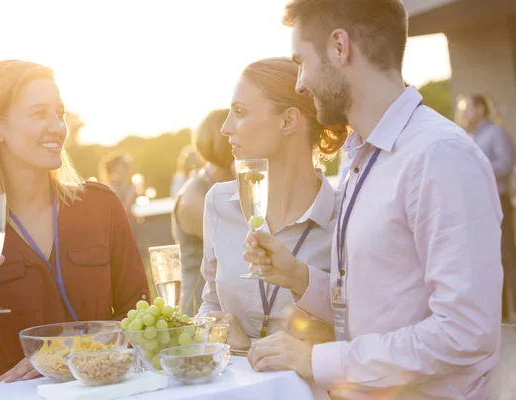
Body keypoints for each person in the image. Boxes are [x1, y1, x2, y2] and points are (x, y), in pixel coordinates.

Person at [245, 1, 503, 398]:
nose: (298, 83)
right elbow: (380, 309)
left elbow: (465, 333)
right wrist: (297, 276)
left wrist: (316, 360)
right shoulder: (359, 156)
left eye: (301, 61)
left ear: (339, 47)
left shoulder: (439, 156)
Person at [0, 60, 150, 387]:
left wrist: (67, 355)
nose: (57, 127)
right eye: (38, 113)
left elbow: (138, 315)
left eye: (59, 113)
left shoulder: (101, 206)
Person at [196, 57, 346, 349]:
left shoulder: (347, 217)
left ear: (288, 121)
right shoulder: (219, 203)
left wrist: (248, 346)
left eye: (239, 112)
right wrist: (213, 333)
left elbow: (363, 328)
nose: (225, 128)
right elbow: (211, 301)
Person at [172, 108, 234, 316]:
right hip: (201, 311)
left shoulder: (227, 184)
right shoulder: (195, 197)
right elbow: (239, 248)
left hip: (227, 309)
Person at [462, 93, 516, 322]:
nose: (464, 113)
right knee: (490, 259)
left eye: (468, 108)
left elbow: (505, 164)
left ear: (481, 110)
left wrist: (477, 168)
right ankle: (501, 315)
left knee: (506, 257)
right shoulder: (469, 137)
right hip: (479, 205)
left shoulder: (496, 133)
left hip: (499, 200)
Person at [98, 152, 137, 218]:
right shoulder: (110, 189)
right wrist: (131, 193)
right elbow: (122, 212)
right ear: (115, 168)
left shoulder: (128, 185)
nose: (128, 166)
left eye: (128, 164)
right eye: (124, 164)